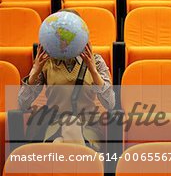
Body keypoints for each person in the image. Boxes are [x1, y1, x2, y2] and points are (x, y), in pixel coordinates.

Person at [18, 13, 115, 151]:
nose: (65, 39)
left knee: (62, 139)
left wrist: (92, 70)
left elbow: (110, 102)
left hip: (88, 126)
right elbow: (22, 102)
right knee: (62, 135)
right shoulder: (46, 62)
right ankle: (83, 166)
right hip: (54, 125)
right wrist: (35, 71)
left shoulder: (96, 61)